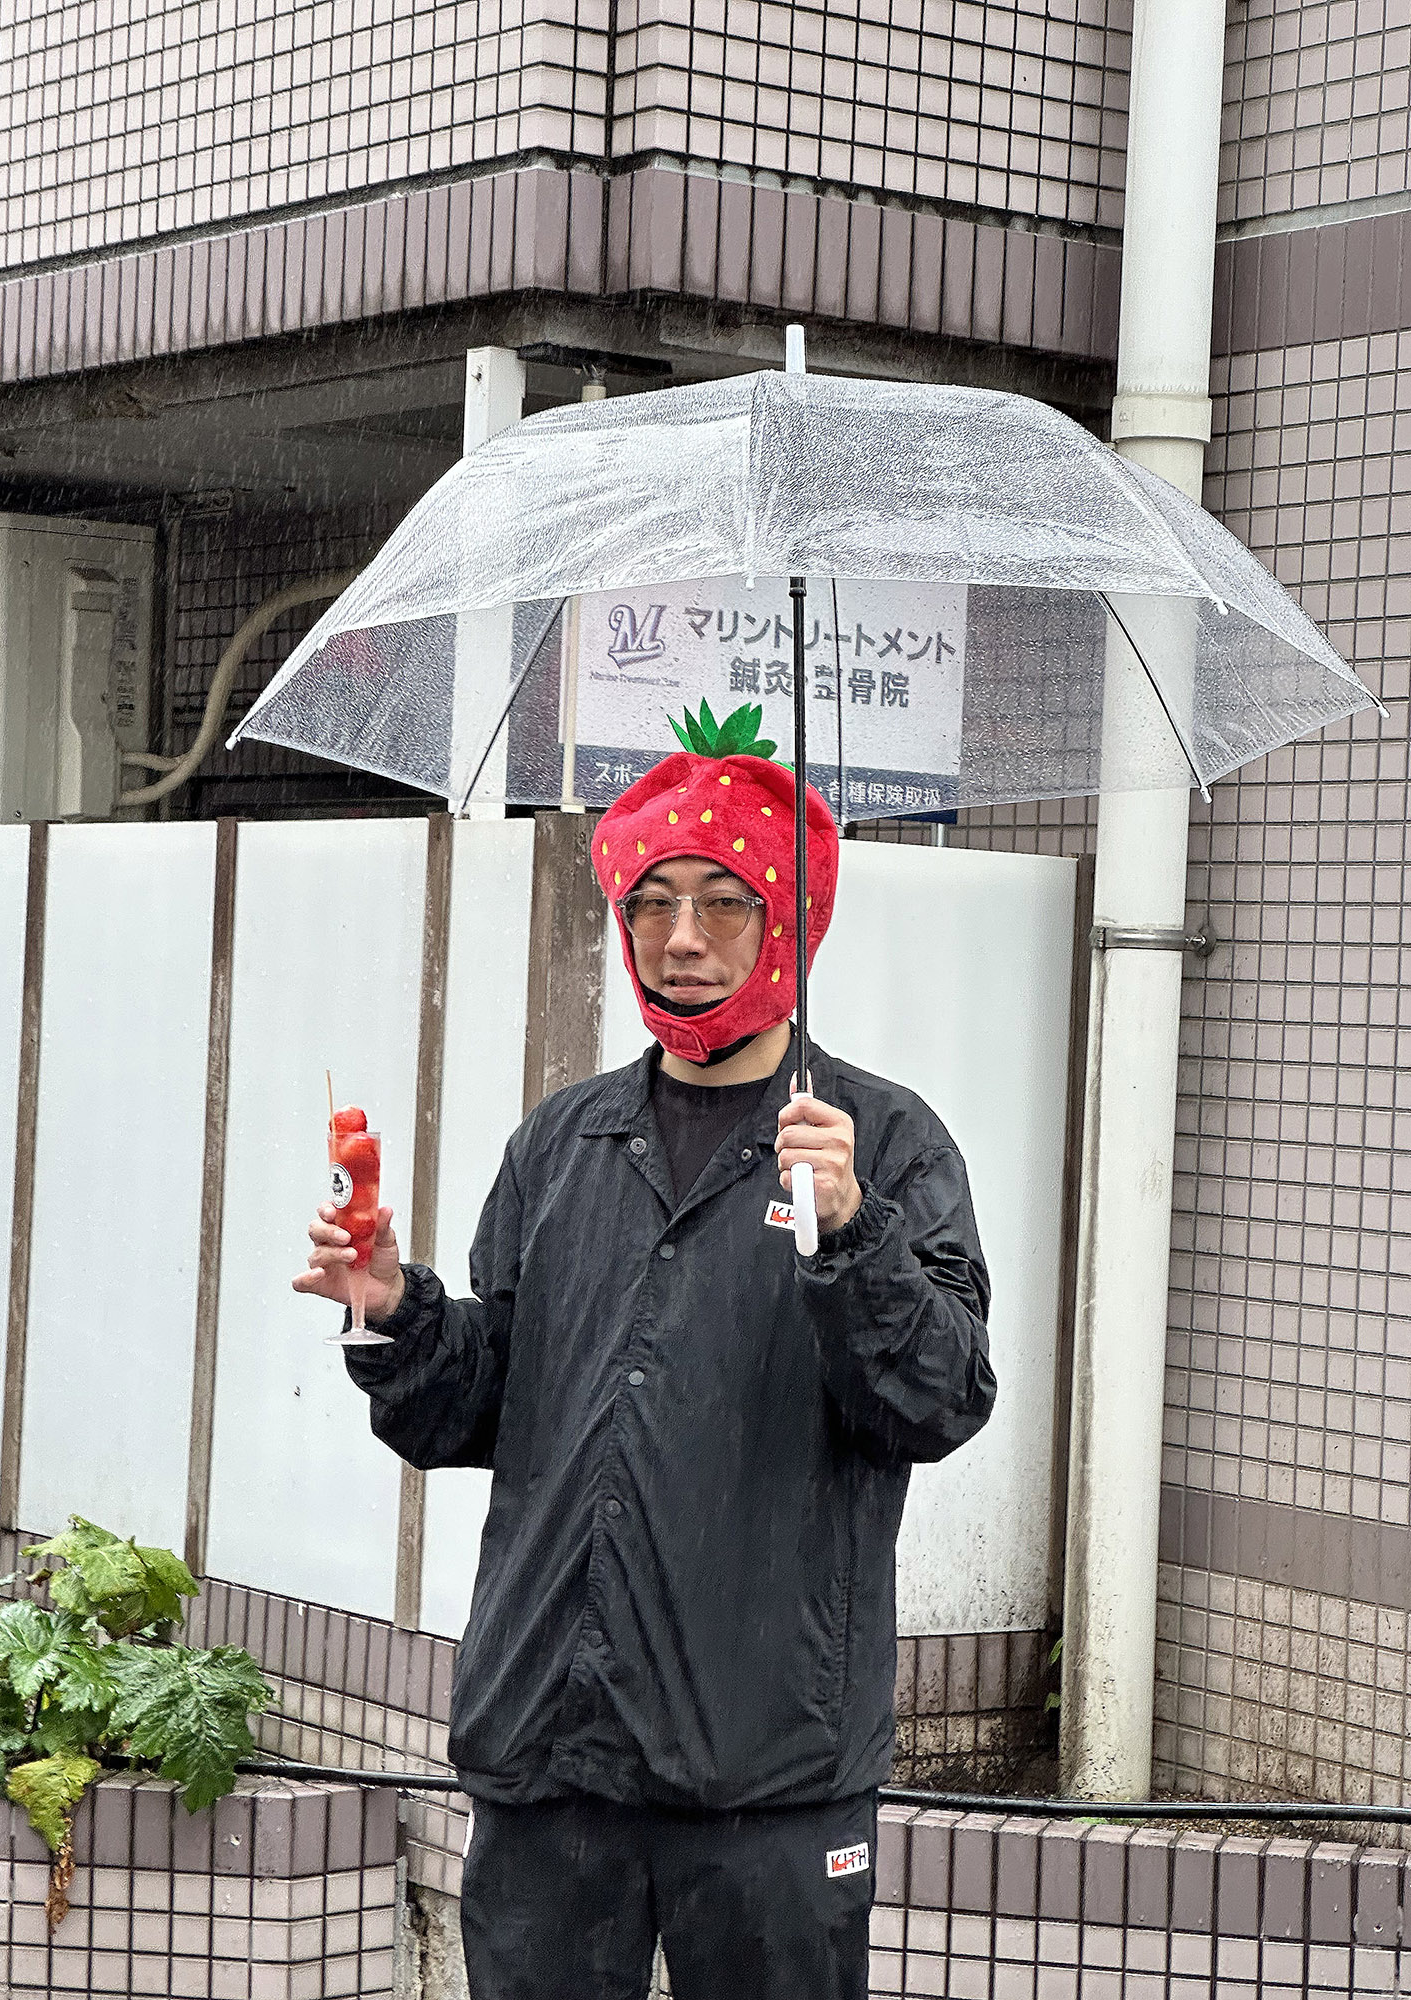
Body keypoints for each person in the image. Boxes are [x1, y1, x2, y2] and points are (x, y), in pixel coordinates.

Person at [295, 717, 996, 2000]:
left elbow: (941, 1397)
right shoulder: (563, 1141)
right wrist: (395, 1310)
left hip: (770, 1763)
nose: (682, 936)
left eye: (725, 901)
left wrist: (854, 1231)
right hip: (552, 1746)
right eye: (653, 901)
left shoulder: (882, 1143)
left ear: (790, 920)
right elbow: (481, 1405)